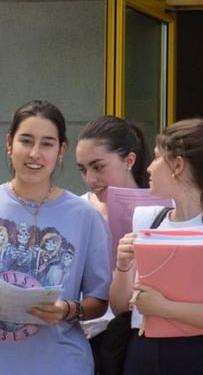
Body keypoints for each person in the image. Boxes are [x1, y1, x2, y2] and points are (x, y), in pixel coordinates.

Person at [0, 100, 112, 374]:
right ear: (9, 143)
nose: (35, 154)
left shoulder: (85, 217)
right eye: (26, 141)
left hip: (62, 363)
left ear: (61, 150)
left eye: (47, 144)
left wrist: (66, 310)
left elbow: (99, 302)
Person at [109, 117, 203, 375]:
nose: (149, 167)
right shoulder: (149, 219)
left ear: (177, 166)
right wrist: (123, 267)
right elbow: (120, 305)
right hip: (143, 353)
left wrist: (164, 308)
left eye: (157, 158)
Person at [74, 115, 152, 374]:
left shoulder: (164, 210)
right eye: (83, 169)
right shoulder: (77, 209)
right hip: (86, 337)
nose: (90, 179)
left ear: (129, 160)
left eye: (98, 167)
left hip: (142, 335)